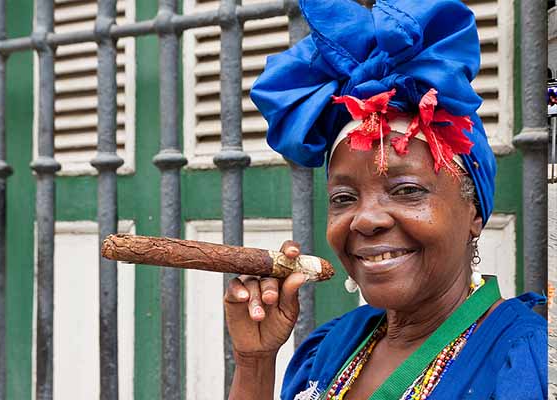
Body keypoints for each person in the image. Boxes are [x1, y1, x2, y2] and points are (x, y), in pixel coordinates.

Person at [223, 0, 548, 399]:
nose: (365, 219)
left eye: (407, 190)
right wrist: (254, 363)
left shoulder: (526, 361)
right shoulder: (333, 346)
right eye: (344, 197)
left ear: (473, 212)